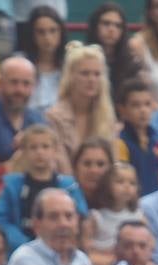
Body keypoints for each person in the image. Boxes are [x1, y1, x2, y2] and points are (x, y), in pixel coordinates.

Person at [0, 124, 87, 254]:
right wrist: (26, 245)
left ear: (55, 150)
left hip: (61, 250)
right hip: (21, 250)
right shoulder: (12, 185)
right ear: (23, 152)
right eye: (33, 147)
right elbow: (0, 221)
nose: (39, 152)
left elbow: (81, 218)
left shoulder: (69, 186)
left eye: (45, 147)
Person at [46, 45, 117, 179]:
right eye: (85, 73)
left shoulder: (108, 116)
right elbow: (61, 168)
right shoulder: (54, 117)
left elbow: (113, 163)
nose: (92, 79)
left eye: (97, 74)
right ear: (71, 76)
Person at [112, 79, 158, 198]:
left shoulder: (157, 140)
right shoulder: (120, 143)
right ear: (122, 109)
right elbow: (122, 179)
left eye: (147, 104)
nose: (143, 110)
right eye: (136, 105)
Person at [86, 163, 139, 265]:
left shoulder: (139, 216)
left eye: (132, 183)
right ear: (107, 185)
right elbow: (87, 250)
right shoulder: (96, 217)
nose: (127, 186)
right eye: (120, 182)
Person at [86, 2, 136, 98]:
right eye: (106, 23)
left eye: (118, 26)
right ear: (95, 26)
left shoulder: (131, 65)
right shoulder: (81, 59)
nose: (111, 29)